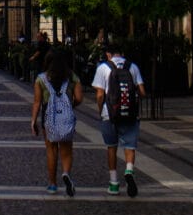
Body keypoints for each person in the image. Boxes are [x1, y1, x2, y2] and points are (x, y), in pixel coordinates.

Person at [91, 39, 146, 197]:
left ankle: (114, 183)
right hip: (130, 114)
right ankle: (129, 169)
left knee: (111, 147)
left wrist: (100, 109)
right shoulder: (133, 67)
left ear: (108, 54)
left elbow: (100, 94)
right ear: (122, 53)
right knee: (130, 146)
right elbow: (142, 92)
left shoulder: (103, 68)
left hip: (110, 114)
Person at [31, 49, 83, 195]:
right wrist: (70, 105)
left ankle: (52, 184)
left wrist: (33, 120)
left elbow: (37, 102)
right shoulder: (73, 77)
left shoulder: (41, 79)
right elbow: (79, 98)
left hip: (49, 117)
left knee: (51, 150)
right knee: (66, 150)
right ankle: (66, 173)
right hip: (66, 117)